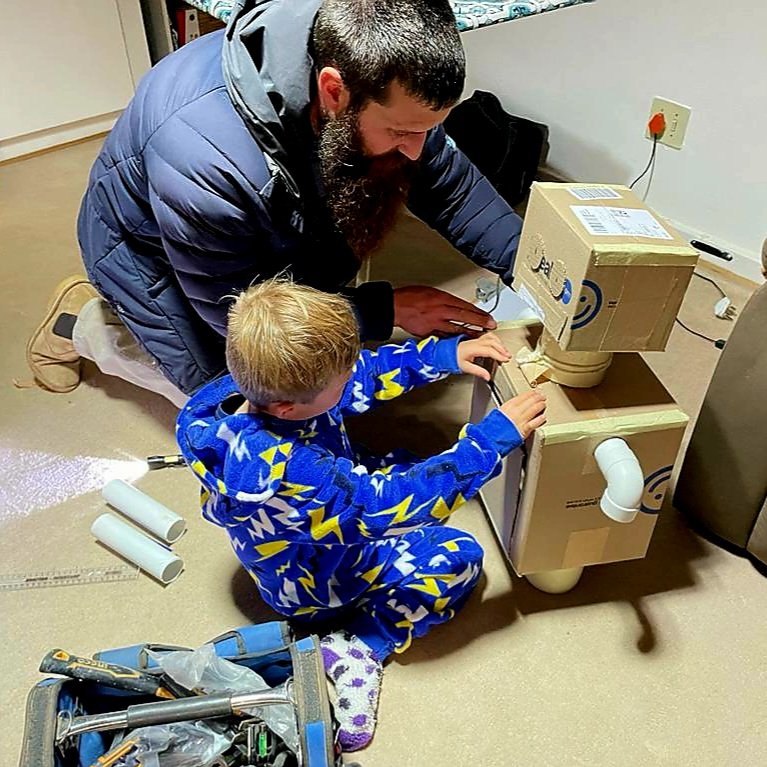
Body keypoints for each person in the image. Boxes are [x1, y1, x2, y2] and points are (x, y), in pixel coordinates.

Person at [25, 0, 523, 406]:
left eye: (428, 129)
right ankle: (80, 324)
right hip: (152, 255)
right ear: (334, 90)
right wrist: (384, 308)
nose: (417, 149)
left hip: (257, 226)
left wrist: (537, 267)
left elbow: (454, 189)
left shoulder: (373, 65)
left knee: (320, 365)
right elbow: (242, 314)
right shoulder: (204, 158)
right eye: (401, 131)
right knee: (254, 401)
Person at [176, 277, 547, 750]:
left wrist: (440, 355)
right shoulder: (296, 474)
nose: (353, 376)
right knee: (458, 554)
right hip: (318, 587)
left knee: (401, 464)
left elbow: (360, 376)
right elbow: (387, 505)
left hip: (291, 545)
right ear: (287, 408)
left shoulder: (236, 393)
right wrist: (488, 443)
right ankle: (360, 645)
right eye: (341, 379)